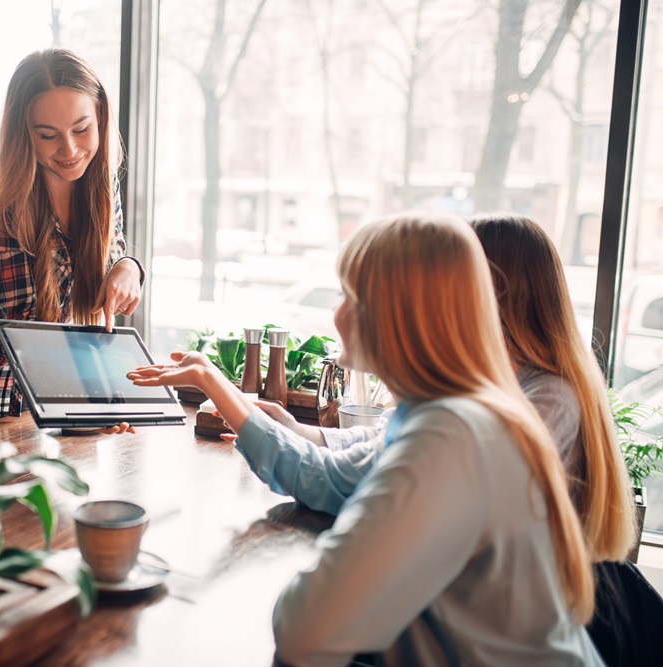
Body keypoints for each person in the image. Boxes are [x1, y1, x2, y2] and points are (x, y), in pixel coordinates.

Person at [128, 214, 602, 666]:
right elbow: (334, 477)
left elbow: (304, 629)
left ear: (404, 315)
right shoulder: (441, 415)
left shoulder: (450, 436)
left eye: (351, 296)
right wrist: (223, 388)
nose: (335, 315)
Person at [0, 48, 144, 433]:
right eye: (47, 135)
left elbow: (108, 251)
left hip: (20, 384)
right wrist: (89, 409)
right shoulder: (0, 205)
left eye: (81, 129)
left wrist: (127, 267)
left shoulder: (102, 189)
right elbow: (29, 329)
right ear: (24, 133)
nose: (69, 150)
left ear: (100, 117)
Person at [470, 213, 661, 667]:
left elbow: (471, 493)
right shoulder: (505, 379)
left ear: (494, 292)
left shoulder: (552, 394)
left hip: (560, 612)